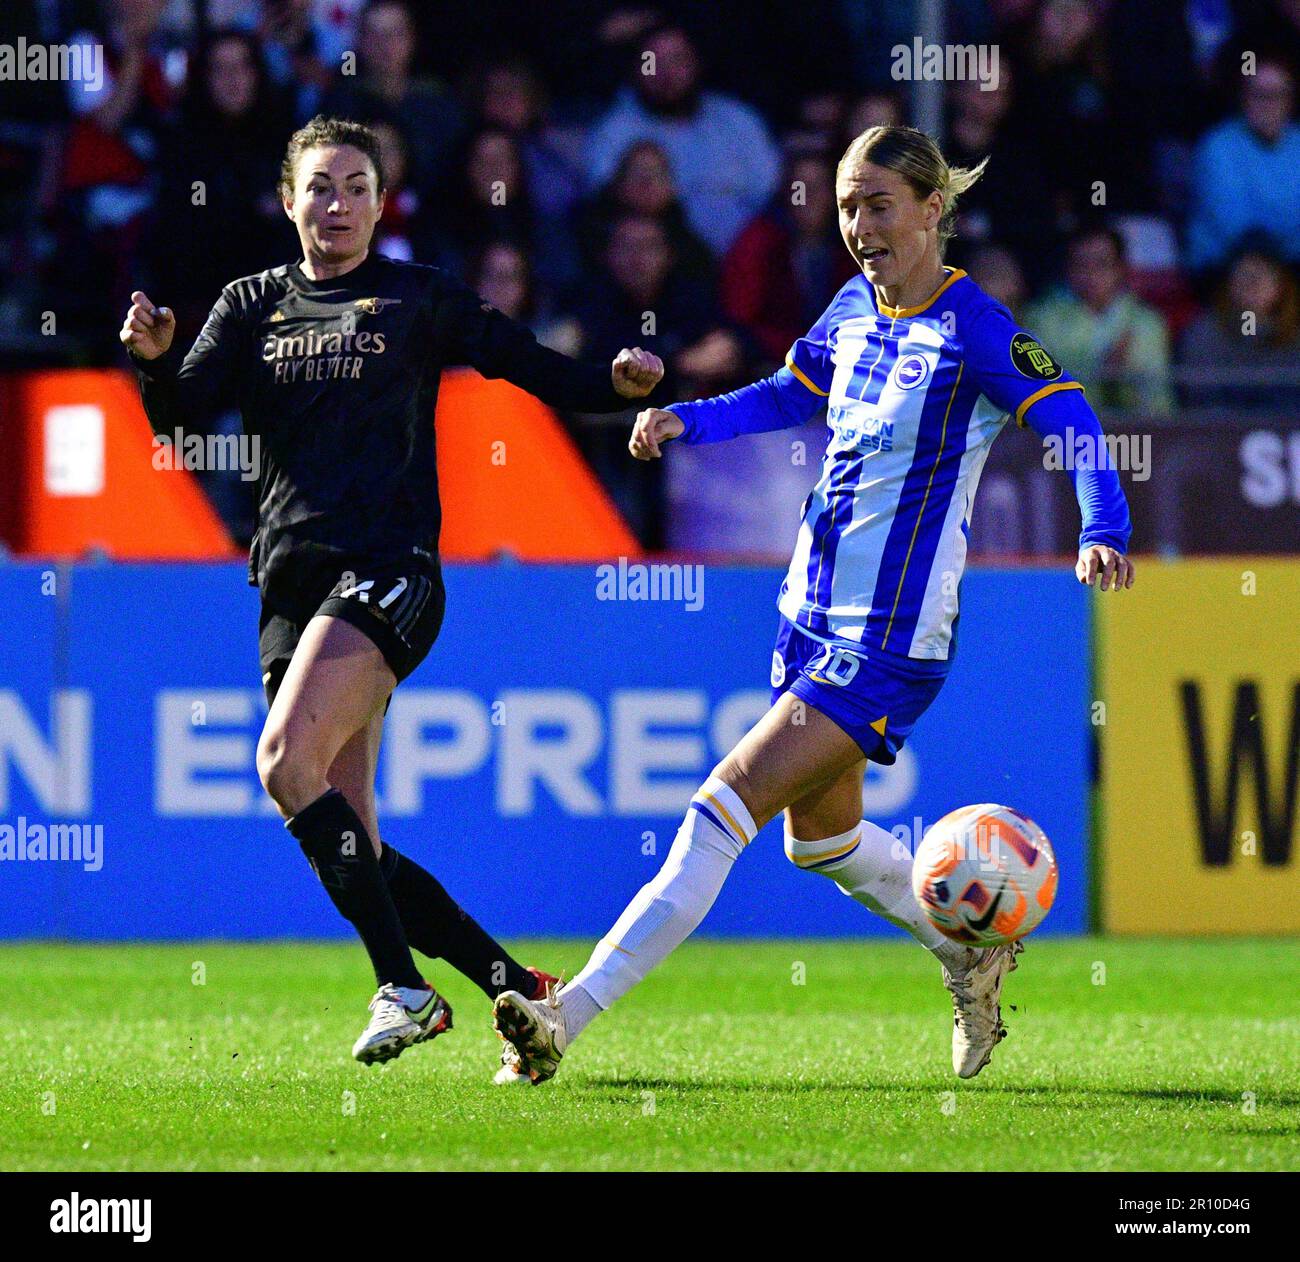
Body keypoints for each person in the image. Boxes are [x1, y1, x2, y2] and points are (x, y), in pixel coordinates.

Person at [491, 125, 1134, 1087]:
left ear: (932, 211)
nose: (860, 225)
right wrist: (685, 419)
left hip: (887, 638)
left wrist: (1104, 526)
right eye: (845, 206)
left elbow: (1073, 423)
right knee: (821, 842)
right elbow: (790, 396)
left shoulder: (978, 333)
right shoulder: (850, 308)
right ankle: (971, 952)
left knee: (721, 808)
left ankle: (563, 1018)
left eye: (879, 205)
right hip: (809, 613)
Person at [118, 114, 663, 1065]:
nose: (338, 204)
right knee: (350, 835)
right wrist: (157, 358)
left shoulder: (416, 299)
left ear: (382, 202)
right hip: (286, 585)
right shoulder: (251, 303)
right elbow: (179, 416)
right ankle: (520, 991)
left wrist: (613, 387)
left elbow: (523, 364)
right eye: (320, 187)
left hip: (390, 569)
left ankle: (402, 988)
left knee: (284, 761)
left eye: (357, 187)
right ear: (288, 201)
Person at [1026, 224, 1174, 416]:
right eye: (1081, 264)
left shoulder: (1148, 324)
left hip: (1136, 437)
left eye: (1101, 263)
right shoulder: (1041, 319)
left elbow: (1158, 406)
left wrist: (1123, 380)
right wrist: (1101, 373)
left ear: (1121, 268)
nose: (1091, 274)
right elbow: (1038, 397)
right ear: (1067, 269)